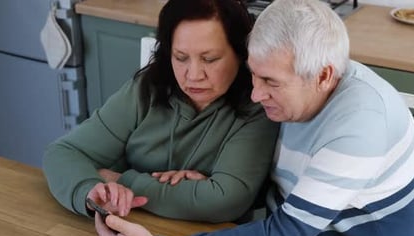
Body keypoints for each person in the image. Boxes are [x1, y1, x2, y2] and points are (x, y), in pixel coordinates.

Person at [93, 0, 414, 236]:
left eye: (270, 81)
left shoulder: (360, 125)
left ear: (323, 76)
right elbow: (288, 188)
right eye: (254, 74)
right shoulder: (300, 92)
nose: (255, 94)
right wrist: (208, 180)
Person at [43, 0, 279, 223]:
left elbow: (225, 200)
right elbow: (64, 152)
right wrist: (90, 191)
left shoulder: (259, 105)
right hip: (126, 227)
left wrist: (120, 179)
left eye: (210, 59)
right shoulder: (148, 88)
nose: (194, 75)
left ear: (241, 55)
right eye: (181, 58)